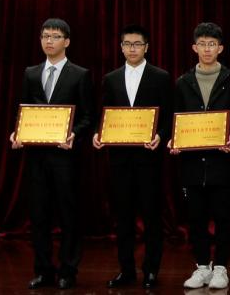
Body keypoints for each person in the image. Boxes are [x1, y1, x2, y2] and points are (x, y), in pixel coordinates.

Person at [10, 18, 94, 290]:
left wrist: (74, 135)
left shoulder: (80, 74)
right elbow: (24, 111)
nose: (49, 41)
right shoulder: (31, 73)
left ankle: (68, 270)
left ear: (66, 41)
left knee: (69, 214)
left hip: (65, 158)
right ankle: (43, 270)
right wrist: (17, 133)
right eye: (45, 36)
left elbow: (88, 116)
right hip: (36, 157)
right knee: (39, 215)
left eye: (55, 36)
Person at [93, 24, 173, 289]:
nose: (132, 49)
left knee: (152, 216)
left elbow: (169, 116)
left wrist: (160, 135)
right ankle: (126, 270)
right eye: (127, 44)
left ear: (146, 47)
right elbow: (104, 115)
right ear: (121, 47)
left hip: (149, 159)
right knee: (123, 218)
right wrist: (98, 134)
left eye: (137, 44)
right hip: (119, 160)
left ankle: (151, 270)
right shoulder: (111, 78)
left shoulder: (161, 77)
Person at [169, 22, 230, 290]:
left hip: (221, 162)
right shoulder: (183, 82)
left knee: (223, 217)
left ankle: (221, 267)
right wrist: (175, 139)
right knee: (196, 218)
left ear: (220, 48)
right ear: (194, 48)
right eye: (202, 44)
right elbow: (177, 119)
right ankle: (202, 266)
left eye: (212, 44)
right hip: (192, 163)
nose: (207, 49)